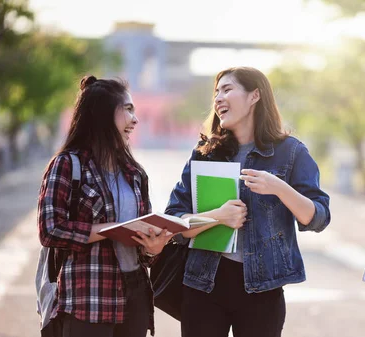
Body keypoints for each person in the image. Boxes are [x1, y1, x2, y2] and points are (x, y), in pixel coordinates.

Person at [165, 66, 331, 337]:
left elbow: (318, 218)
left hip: (263, 290)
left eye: (227, 89)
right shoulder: (205, 154)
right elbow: (175, 221)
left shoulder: (290, 153)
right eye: (216, 92)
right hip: (203, 284)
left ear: (255, 96)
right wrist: (217, 216)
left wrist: (279, 187)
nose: (218, 98)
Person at [37, 75, 170, 337]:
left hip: (135, 293)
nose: (136, 119)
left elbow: (142, 247)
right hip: (88, 295)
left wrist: (153, 247)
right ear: (103, 113)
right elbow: (50, 230)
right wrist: (107, 229)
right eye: (128, 109)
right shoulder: (67, 165)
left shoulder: (135, 174)